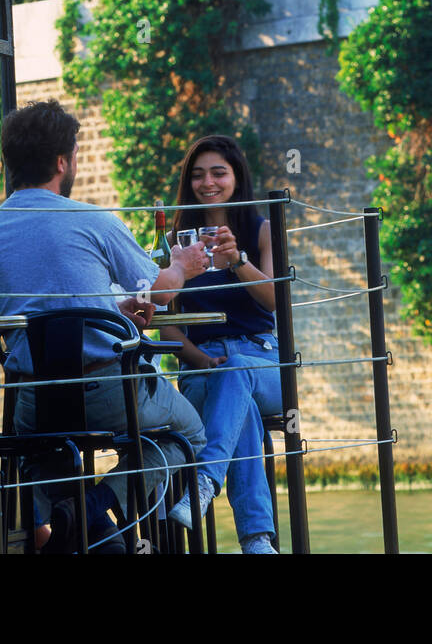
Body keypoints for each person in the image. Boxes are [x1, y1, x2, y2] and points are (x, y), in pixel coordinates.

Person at [0, 99, 210, 553]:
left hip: (32, 399)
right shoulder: (91, 219)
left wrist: (111, 310)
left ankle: (81, 525)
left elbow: (30, 303)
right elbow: (159, 293)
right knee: (189, 434)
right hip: (104, 394)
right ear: (61, 162)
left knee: (39, 458)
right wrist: (184, 265)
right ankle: (97, 508)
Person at [161, 135, 282, 556]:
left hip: (262, 361)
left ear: (236, 177)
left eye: (218, 173)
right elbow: (166, 325)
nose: (207, 182)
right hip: (202, 369)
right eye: (197, 175)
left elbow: (275, 302)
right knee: (238, 399)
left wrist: (237, 262)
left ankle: (205, 481)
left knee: (239, 372)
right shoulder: (175, 240)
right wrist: (200, 358)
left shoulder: (261, 229)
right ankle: (257, 541)